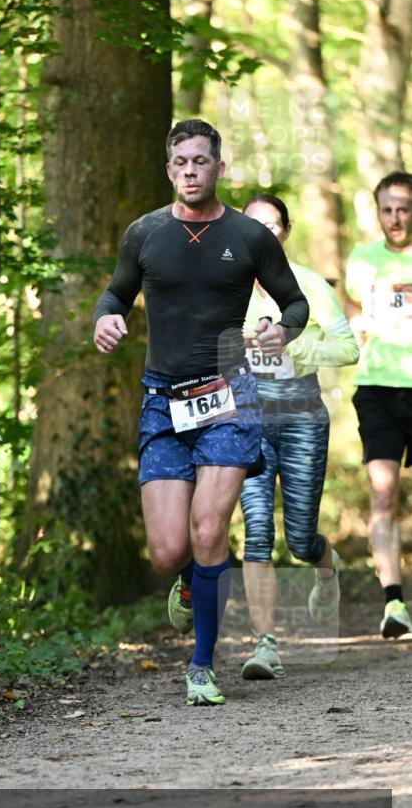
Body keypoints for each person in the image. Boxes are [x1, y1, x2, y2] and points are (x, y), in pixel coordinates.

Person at [92, 119, 309, 706]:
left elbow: (296, 302)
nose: (191, 171)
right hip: (164, 399)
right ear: (170, 170)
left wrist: (280, 331)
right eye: (181, 162)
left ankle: (201, 664)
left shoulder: (250, 236)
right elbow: (116, 292)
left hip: (229, 395)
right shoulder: (144, 234)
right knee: (169, 550)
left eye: (200, 161)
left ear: (219, 167)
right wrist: (105, 317)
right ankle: (194, 581)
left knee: (209, 528)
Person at [238, 193, 359, 680]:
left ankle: (326, 567)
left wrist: (296, 341)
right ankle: (264, 644)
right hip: (247, 420)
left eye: (272, 225)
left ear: (285, 231)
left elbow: (348, 348)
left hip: (303, 417)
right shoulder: (227, 287)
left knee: (300, 540)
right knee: (258, 531)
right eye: (253, 226)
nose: (263, 234)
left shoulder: (307, 284)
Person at [345, 171, 412, 638]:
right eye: (387, 209)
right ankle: (394, 603)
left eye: (404, 208)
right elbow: (351, 307)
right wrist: (355, 323)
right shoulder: (362, 259)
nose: (396, 218)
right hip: (377, 388)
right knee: (383, 493)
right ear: (377, 212)